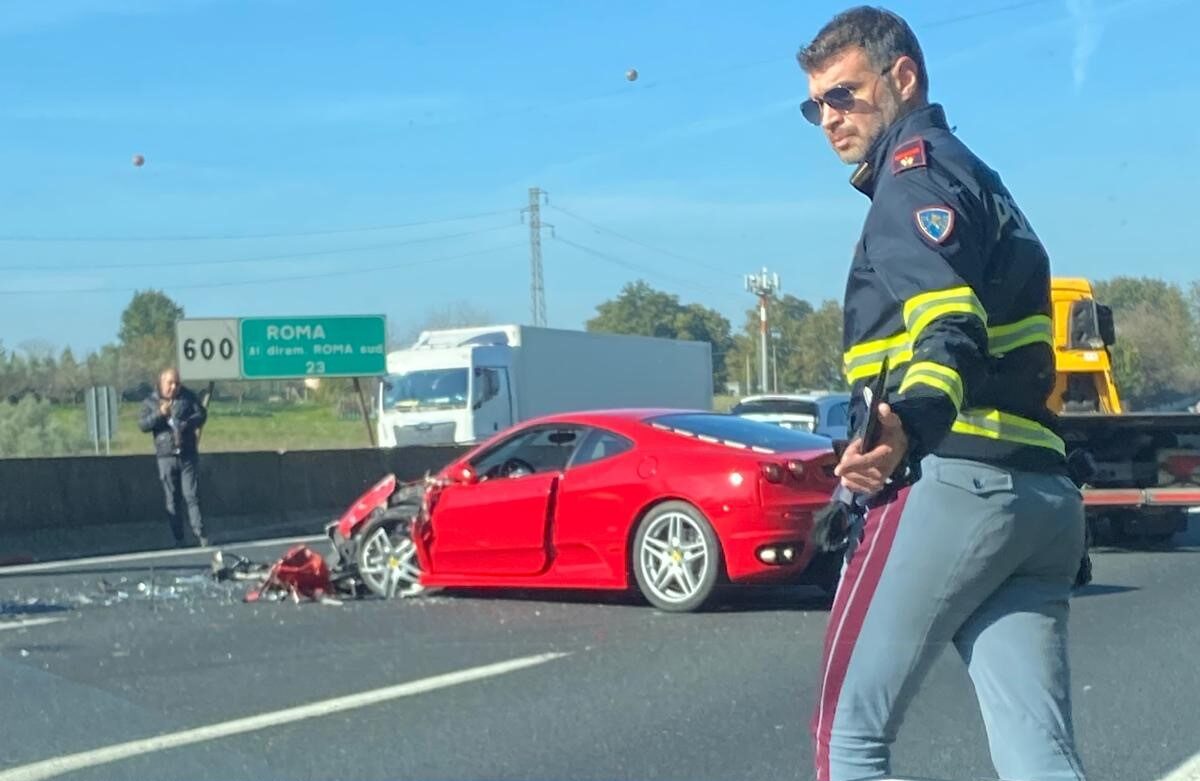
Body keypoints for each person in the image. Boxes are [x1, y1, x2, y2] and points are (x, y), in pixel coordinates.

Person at [794, 7, 1087, 781]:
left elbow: (945, 322)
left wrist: (908, 428)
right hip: (1042, 495)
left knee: (848, 737)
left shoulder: (912, 175)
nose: (829, 118)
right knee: (1040, 754)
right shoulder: (978, 178)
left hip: (953, 478)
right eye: (815, 104)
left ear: (903, 79)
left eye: (844, 95)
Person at [138, 367, 209, 547]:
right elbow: (143, 425)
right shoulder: (150, 402)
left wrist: (188, 423)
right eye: (170, 383)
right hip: (165, 456)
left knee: (191, 495)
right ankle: (178, 538)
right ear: (162, 383)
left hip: (187, 455)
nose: (174, 386)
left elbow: (201, 414)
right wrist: (160, 414)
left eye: (177, 383)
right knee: (172, 499)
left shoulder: (188, 397)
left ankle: (200, 534)